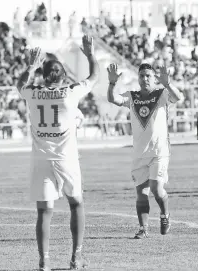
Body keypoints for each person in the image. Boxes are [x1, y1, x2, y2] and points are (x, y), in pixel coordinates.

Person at [16, 35, 99, 271]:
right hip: (66, 159)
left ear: (43, 75)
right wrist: (90, 54)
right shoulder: (69, 92)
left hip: (41, 159)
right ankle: (76, 258)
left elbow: (19, 86)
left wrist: (30, 67)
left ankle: (44, 261)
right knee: (77, 205)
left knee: (44, 211)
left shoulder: (32, 93)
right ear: (63, 76)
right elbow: (94, 77)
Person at [107, 63, 182, 239]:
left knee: (156, 188)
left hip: (159, 152)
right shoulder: (132, 97)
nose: (145, 78)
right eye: (142, 75)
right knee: (141, 194)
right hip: (139, 154)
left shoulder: (162, 94)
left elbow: (179, 97)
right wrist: (111, 84)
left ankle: (165, 215)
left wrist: (167, 83)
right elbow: (113, 99)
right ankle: (143, 228)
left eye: (148, 75)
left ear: (154, 78)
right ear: (138, 78)